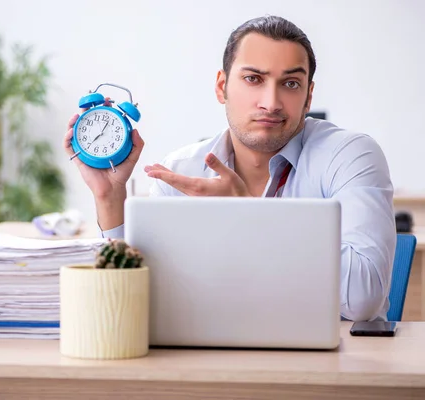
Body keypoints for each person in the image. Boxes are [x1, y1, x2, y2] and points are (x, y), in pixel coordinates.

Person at [63, 15, 397, 322]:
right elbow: (129, 307)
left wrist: (250, 216)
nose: (271, 102)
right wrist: (109, 198)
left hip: (332, 371)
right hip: (211, 365)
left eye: (291, 84)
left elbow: (362, 299)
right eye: (254, 79)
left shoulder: (351, 156)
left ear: (308, 97)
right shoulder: (180, 173)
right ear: (222, 86)